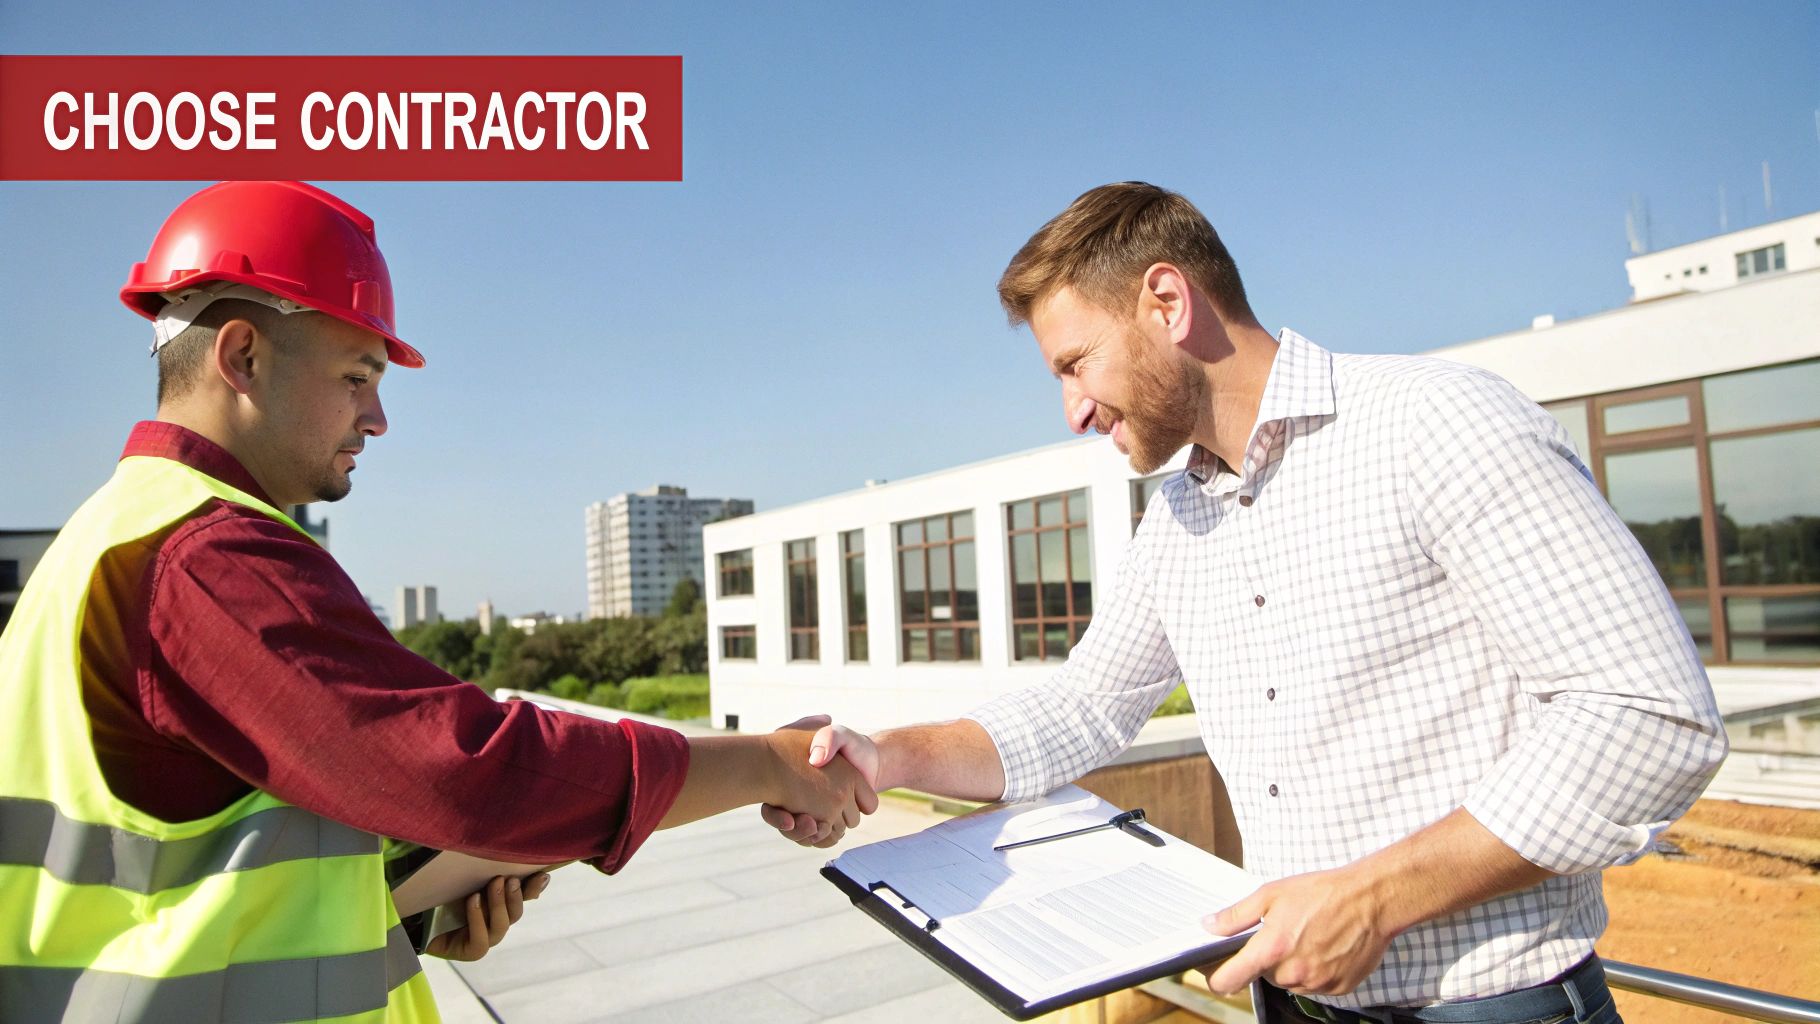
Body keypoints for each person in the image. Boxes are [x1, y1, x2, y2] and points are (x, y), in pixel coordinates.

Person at [764, 182, 1727, 1024]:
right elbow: (1079, 710)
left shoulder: (1438, 423)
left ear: (1168, 302)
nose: (1074, 411)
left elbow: (1651, 717)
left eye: (1075, 363)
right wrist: (886, 755)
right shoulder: (1174, 521)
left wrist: (1377, 898)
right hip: (1293, 1003)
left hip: (1491, 1010)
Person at [0, 179, 874, 1023]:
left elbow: (193, 857)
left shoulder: (113, 533)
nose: (377, 418)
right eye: (356, 376)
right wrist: (766, 763)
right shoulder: (204, 555)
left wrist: (411, 906)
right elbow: (466, 769)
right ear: (243, 356)